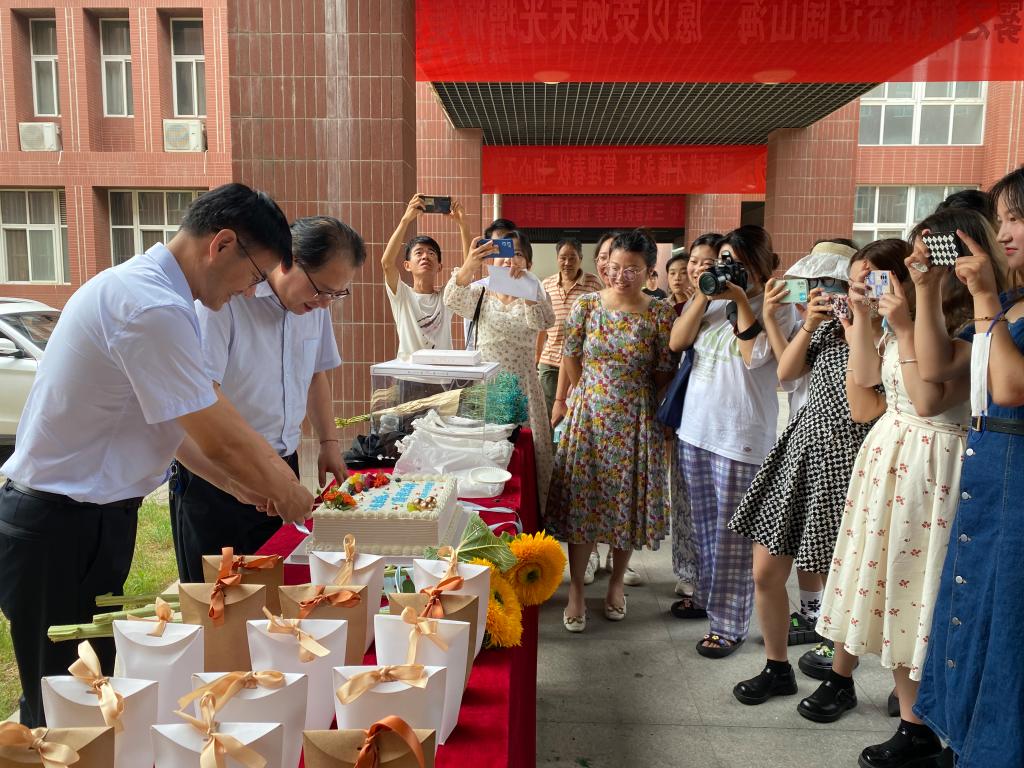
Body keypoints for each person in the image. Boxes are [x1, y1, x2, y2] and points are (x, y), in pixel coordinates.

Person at [0, 183, 315, 727]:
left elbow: (175, 427)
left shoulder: (159, 296)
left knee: (92, 698)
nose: (249, 292)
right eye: (255, 275)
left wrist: (241, 487)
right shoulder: (150, 305)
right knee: (63, 715)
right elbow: (217, 433)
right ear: (221, 245)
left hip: (88, 522)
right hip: (59, 526)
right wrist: (290, 493)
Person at [804, 209, 1004, 768]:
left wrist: (902, 322)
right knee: (892, 587)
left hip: (934, 466)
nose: (920, 264)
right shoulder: (911, 321)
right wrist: (864, 326)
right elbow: (866, 392)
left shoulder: (967, 328)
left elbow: (927, 399)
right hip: (892, 461)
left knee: (919, 593)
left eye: (927, 253)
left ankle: (920, 724)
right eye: (914, 253)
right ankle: (913, 721)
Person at [728, 240, 890, 705]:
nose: (837, 293)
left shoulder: (891, 335)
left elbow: (868, 403)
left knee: (843, 580)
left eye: (847, 285)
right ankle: (777, 667)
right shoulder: (828, 328)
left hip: (852, 463)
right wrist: (810, 323)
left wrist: (862, 323)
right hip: (800, 449)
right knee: (765, 571)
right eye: (842, 284)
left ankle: (841, 679)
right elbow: (786, 373)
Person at [169, 215, 366, 583]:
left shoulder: (314, 307)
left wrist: (328, 442)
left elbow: (315, 374)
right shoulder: (224, 299)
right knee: (221, 596)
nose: (325, 303)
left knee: (278, 589)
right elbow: (201, 394)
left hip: (283, 467)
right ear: (288, 260)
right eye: (320, 289)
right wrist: (247, 476)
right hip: (219, 474)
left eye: (336, 294)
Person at [914, 167, 1024, 767]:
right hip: (990, 472)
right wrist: (924, 291)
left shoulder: (997, 305)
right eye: (1001, 219)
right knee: (973, 613)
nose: (1003, 233)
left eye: (1016, 219)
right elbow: (935, 368)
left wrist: (982, 299)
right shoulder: (1009, 303)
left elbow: (1010, 388)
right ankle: (968, 743)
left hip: (1013, 477)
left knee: (1003, 623)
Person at [669, 224, 800, 657]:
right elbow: (677, 341)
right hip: (695, 430)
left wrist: (743, 300)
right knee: (700, 529)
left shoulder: (778, 306)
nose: (729, 270)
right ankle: (705, 596)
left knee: (731, 539)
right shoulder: (710, 297)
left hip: (739, 438)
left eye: (740, 264)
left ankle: (728, 625)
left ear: (763, 266)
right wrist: (703, 294)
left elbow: (754, 357)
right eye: (725, 261)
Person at [547, 229, 676, 632]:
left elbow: (664, 370)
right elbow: (571, 355)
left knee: (625, 505)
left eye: (632, 269)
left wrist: (632, 396)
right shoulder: (587, 305)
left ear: (649, 271)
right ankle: (576, 589)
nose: (620, 276)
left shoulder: (660, 313)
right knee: (583, 503)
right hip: (589, 417)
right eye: (614, 267)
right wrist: (588, 394)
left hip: (636, 420)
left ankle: (617, 583)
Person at [444, 230, 556, 509]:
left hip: (523, 389)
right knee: (484, 457)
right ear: (492, 261)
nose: (509, 261)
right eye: (503, 254)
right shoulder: (481, 293)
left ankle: (529, 514)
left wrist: (527, 290)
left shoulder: (536, 292)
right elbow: (451, 299)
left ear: (528, 263)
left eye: (517, 254)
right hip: (486, 389)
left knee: (523, 455)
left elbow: (544, 321)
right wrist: (469, 264)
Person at [669, 233, 718, 609]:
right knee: (685, 498)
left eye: (708, 262)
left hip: (723, 418)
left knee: (715, 504)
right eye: (694, 262)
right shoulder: (691, 304)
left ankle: (715, 574)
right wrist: (700, 297)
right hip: (688, 412)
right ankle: (687, 571)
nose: (699, 268)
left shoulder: (737, 303)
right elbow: (677, 343)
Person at [381, 194, 471, 360]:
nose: (425, 256)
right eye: (418, 253)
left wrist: (463, 225)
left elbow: (469, 268)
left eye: (431, 253)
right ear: (407, 265)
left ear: (439, 267)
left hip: (443, 373)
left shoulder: (446, 297)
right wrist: (405, 220)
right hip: (408, 374)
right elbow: (387, 263)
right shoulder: (402, 296)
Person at [537, 236, 603, 418]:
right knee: (549, 414)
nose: (567, 263)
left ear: (580, 258)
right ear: (557, 259)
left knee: (577, 413)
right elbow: (541, 325)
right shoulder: (546, 284)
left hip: (578, 363)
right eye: (563, 258)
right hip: (550, 361)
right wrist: (537, 355)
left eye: (572, 258)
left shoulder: (594, 283)